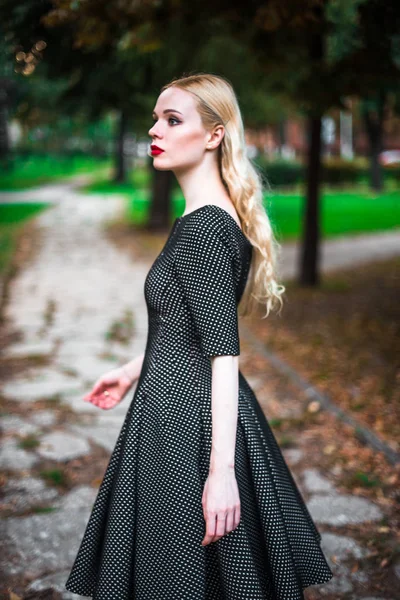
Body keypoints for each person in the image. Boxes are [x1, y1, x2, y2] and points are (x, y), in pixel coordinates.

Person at [65, 72, 333, 599]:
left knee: (182, 577)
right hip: (170, 410)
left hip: (188, 427)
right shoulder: (204, 219)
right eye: (155, 118)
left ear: (214, 135)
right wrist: (129, 371)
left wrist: (221, 472)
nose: (154, 130)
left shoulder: (204, 228)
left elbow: (223, 355)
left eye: (172, 119)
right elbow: (185, 331)